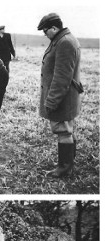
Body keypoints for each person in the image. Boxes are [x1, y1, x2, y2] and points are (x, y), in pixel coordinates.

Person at [37, 13, 83, 178]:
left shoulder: (64, 43)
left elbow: (61, 77)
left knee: (63, 130)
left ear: (54, 28)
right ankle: (68, 163)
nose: (45, 34)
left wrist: (51, 101)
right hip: (66, 96)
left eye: (45, 31)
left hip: (63, 98)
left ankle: (64, 168)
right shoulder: (65, 39)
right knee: (67, 130)